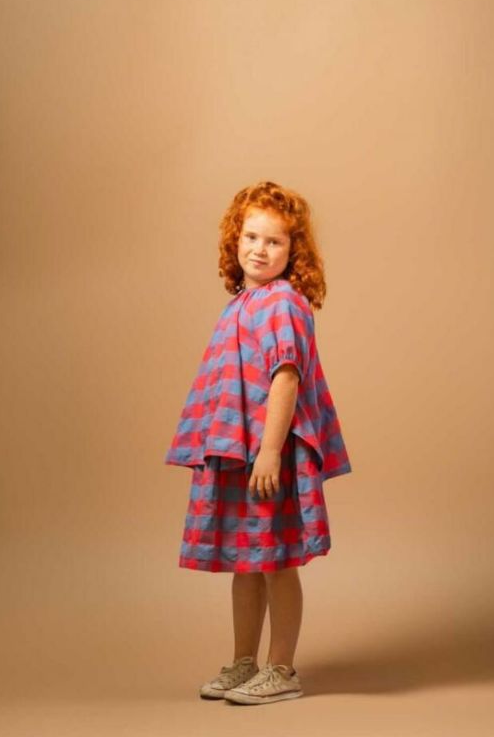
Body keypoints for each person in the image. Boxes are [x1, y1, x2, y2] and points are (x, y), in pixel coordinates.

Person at [164, 180, 352, 705]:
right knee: (246, 563)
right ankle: (245, 662)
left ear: (294, 251)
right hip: (240, 453)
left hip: (268, 453)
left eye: (274, 241)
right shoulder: (242, 304)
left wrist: (269, 452)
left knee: (275, 561)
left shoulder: (283, 302)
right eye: (251, 237)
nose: (260, 250)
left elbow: (286, 376)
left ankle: (282, 669)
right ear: (235, 239)